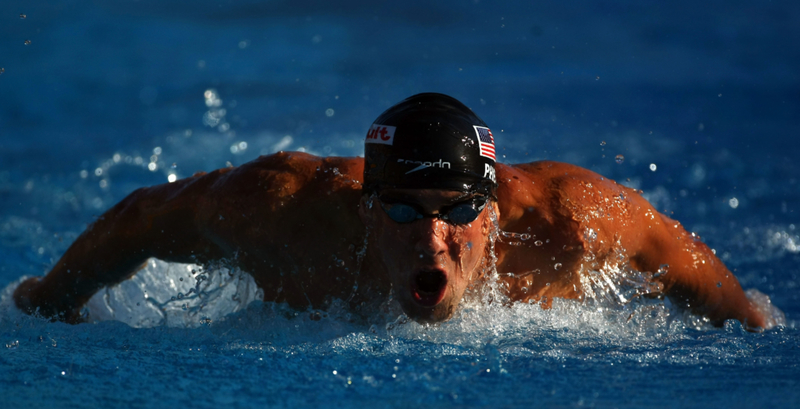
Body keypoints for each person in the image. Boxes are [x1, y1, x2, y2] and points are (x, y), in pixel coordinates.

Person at [13, 93, 777, 329]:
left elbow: (702, 279)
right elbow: (143, 218)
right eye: (406, 211)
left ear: (493, 207)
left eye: (456, 211)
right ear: (365, 209)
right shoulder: (286, 213)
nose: (434, 240)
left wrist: (754, 326)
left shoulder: (569, 223)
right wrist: (48, 302)